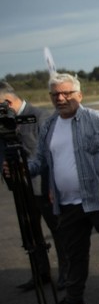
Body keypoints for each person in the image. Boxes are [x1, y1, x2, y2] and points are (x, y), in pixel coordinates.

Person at [25, 73, 99, 304]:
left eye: (66, 93)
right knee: (73, 254)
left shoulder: (96, 118)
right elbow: (39, 161)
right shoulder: (48, 125)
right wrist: (21, 167)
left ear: (79, 95)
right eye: (55, 94)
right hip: (67, 204)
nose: (61, 98)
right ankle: (74, 300)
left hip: (98, 200)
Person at [0, 81, 66, 291]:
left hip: (42, 186)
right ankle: (40, 273)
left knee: (57, 232)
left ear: (8, 101)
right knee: (30, 232)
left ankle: (67, 274)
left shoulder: (40, 116)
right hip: (20, 188)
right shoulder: (4, 121)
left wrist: (51, 187)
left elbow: (48, 155)